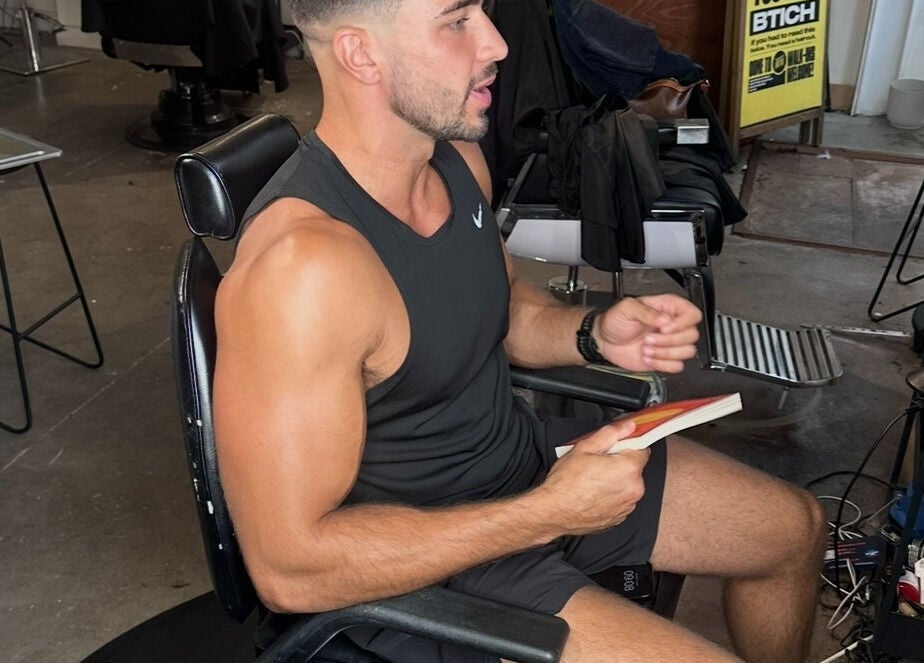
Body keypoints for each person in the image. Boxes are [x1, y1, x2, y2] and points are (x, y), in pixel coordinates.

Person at [212, 0, 826, 661]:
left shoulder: (457, 161)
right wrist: (549, 513)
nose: (498, 43)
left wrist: (594, 332)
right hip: (428, 568)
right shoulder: (303, 272)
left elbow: (504, 311)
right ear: (362, 54)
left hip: (524, 468)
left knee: (798, 527)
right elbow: (288, 569)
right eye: (456, 22)